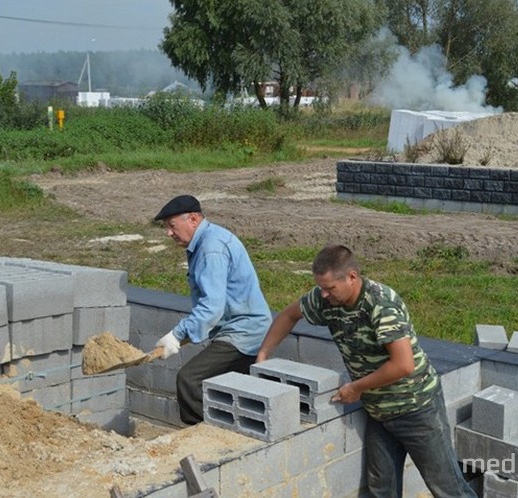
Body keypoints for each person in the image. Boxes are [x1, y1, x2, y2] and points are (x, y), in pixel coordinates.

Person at [256, 245, 476, 498]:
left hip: (416, 408)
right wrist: (263, 354)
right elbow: (288, 315)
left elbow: (403, 364)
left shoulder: (380, 305)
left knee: (446, 488)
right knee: (381, 489)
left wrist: (356, 387)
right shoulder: (325, 300)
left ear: (351, 277)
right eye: (321, 288)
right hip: (378, 412)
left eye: (330, 288)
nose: (324, 294)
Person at [154, 194, 273, 425]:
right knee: (226, 391)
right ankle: (230, 431)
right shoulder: (208, 240)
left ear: (193, 219)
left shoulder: (211, 248)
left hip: (244, 332)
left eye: (171, 225)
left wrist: (177, 335)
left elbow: (212, 306)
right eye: (166, 227)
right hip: (234, 329)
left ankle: (208, 438)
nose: (169, 233)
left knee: (189, 381)